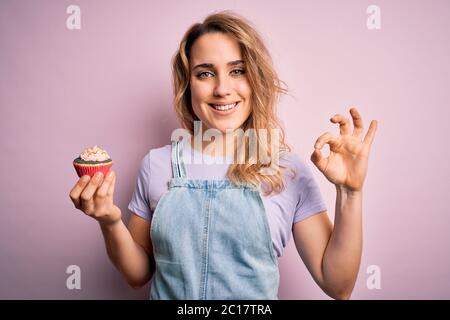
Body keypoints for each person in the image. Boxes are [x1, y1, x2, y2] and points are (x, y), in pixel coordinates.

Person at [69, 11, 377, 300]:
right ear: (187, 84)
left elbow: (338, 285)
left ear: (256, 79)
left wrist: (350, 192)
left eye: (237, 71)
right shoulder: (156, 165)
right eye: (205, 74)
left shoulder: (287, 170)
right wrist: (110, 222)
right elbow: (138, 275)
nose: (222, 89)